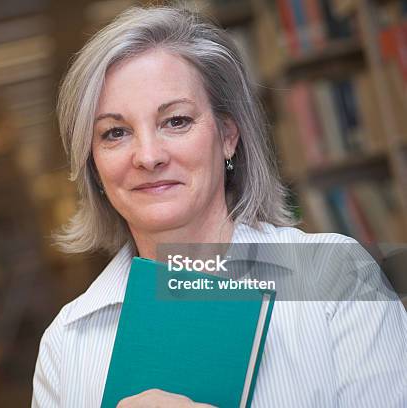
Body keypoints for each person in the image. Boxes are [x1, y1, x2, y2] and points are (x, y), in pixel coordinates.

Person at [32, 5, 407, 407]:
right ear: (92, 163)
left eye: (175, 121)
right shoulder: (67, 344)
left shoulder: (338, 280)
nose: (148, 156)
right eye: (115, 133)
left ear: (228, 136)